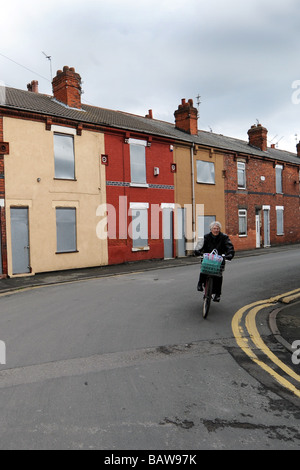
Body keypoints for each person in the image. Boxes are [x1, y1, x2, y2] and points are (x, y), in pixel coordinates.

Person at [194, 221, 235, 302]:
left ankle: (217, 294)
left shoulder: (224, 237)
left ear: (220, 229)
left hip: (219, 259)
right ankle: (200, 284)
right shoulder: (206, 237)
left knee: (218, 276)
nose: (216, 230)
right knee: (204, 269)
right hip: (208, 258)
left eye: (217, 228)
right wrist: (197, 251)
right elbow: (199, 246)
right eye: (214, 228)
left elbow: (229, 247)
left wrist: (229, 254)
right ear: (211, 229)